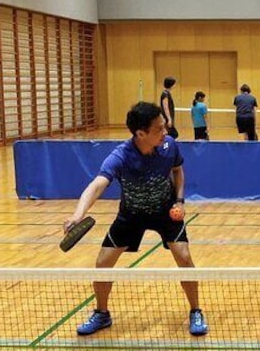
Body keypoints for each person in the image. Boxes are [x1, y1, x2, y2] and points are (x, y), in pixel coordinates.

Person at [63, 102, 207, 336]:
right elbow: (97, 184)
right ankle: (101, 314)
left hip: (165, 211)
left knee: (184, 257)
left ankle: (195, 310)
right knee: (102, 265)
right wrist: (78, 214)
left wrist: (179, 200)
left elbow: (178, 170)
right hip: (131, 214)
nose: (165, 132)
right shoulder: (120, 156)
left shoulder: (169, 147)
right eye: (159, 129)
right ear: (141, 133)